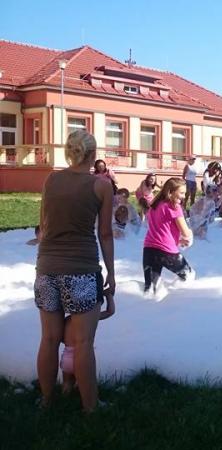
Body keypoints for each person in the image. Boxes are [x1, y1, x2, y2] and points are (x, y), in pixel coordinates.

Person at [34, 129, 115, 412]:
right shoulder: (101, 186)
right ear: (93, 154)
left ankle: (46, 400)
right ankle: (91, 408)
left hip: (47, 268)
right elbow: (105, 234)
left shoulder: (51, 180)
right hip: (81, 269)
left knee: (49, 339)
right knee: (82, 342)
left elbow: (44, 226)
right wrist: (111, 273)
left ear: (70, 152)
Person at [142, 177, 193, 295]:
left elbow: (161, 230)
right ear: (170, 192)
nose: (184, 196)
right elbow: (186, 233)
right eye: (181, 193)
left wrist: (178, 241)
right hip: (167, 252)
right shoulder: (174, 207)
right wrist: (189, 237)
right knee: (189, 276)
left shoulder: (154, 205)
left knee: (150, 290)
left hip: (149, 249)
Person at [60, 293, 115, 396]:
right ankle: (89, 399)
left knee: (67, 383)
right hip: (82, 356)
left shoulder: (66, 320)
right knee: (86, 382)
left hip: (67, 357)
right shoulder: (88, 319)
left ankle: (64, 399)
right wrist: (109, 295)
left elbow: (61, 338)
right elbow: (110, 311)